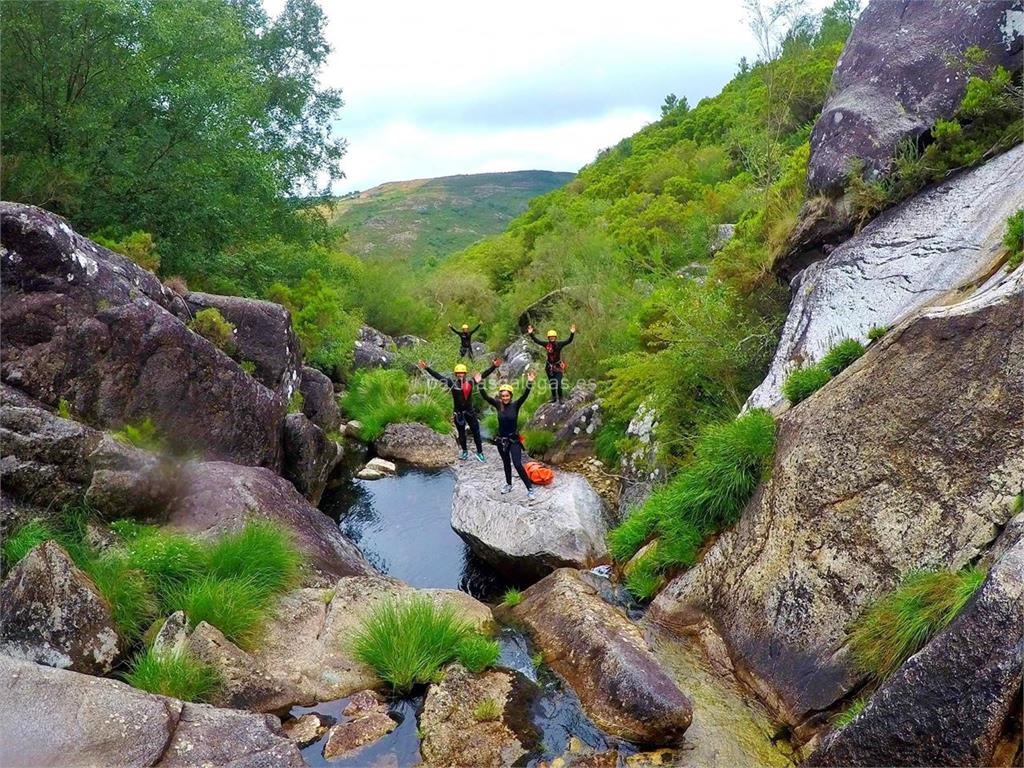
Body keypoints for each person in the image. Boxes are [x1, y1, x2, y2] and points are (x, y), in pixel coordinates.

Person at [418, 357, 501, 461]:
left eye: (462, 373)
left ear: (465, 374)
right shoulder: (451, 383)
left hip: (470, 412)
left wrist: (494, 366)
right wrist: (427, 368)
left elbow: (483, 375)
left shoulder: (470, 383)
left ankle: (480, 452)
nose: (460, 375)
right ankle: (465, 452)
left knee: (476, 432)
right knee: (461, 433)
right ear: (456, 374)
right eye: (458, 373)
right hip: (458, 413)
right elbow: (438, 376)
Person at [477, 369, 536, 499]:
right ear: (500, 396)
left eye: (507, 395)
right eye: (503, 396)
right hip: (501, 441)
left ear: (510, 395)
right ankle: (509, 485)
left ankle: (530, 488)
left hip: (513, 440)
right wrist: (479, 383)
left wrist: (530, 382)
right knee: (505, 463)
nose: (505, 398)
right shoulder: (498, 405)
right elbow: (485, 397)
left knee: (517, 464)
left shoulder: (516, 405)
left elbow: (525, 395)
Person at [527, 323, 576, 403]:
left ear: (555, 337)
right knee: (553, 383)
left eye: (553, 337)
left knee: (559, 383)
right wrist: (531, 333)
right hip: (549, 367)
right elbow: (537, 341)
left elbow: (569, 341)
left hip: (558, 366)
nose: (552, 338)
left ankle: (561, 398)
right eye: (550, 337)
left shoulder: (559, 344)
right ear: (548, 338)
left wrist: (572, 333)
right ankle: (554, 398)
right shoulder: (546, 344)